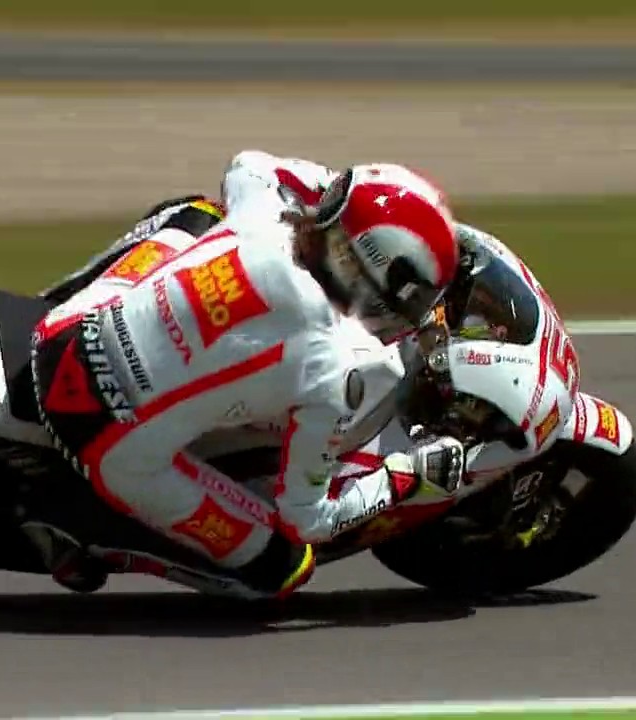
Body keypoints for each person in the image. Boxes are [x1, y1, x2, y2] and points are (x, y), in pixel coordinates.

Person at [27, 152, 469, 600]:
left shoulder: (265, 210)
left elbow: (248, 163)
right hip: (104, 440)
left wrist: (337, 193)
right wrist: (406, 476)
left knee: (197, 213)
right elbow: (307, 518)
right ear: (369, 272)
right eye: (413, 297)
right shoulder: (336, 365)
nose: (413, 311)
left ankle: (47, 300)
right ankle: (97, 542)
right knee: (287, 565)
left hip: (60, 334)